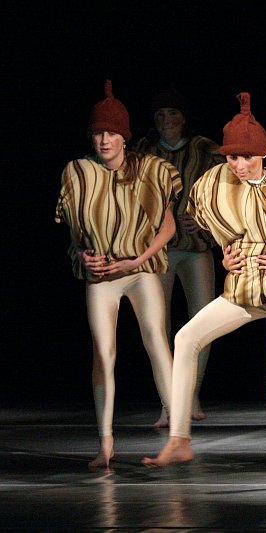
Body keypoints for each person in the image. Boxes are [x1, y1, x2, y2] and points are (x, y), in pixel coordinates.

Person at [142, 92, 266, 493]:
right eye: (231, 158)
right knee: (186, 337)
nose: (238, 165)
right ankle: (179, 439)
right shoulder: (219, 186)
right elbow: (224, 233)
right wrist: (226, 257)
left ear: (262, 154)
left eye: (246, 157)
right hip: (247, 284)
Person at [55, 80, 181, 468]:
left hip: (138, 269)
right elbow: (74, 231)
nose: (104, 140)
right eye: (98, 133)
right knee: (102, 353)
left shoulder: (149, 170)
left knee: (156, 339)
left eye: (111, 133)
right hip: (101, 276)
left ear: (124, 136)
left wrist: (139, 258)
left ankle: (177, 435)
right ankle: (105, 442)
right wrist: (82, 254)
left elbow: (168, 226)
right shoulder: (78, 172)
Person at [134, 85, 226, 425]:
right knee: (158, 326)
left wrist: (205, 218)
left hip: (195, 246)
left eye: (172, 113)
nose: (166, 120)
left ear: (183, 118)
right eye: (160, 115)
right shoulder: (143, 150)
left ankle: (191, 393)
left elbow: (228, 188)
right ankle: (169, 401)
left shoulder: (204, 149)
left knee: (202, 320)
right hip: (157, 250)